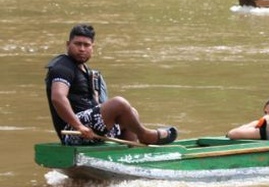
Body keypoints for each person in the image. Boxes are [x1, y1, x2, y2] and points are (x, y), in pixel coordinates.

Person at [44, 24, 178, 146]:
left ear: (92, 48)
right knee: (119, 103)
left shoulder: (87, 71)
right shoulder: (62, 67)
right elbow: (58, 98)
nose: (82, 49)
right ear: (68, 45)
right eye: (77, 44)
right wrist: (79, 126)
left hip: (92, 129)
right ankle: (145, 135)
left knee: (131, 113)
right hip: (73, 132)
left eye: (86, 45)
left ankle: (131, 155)